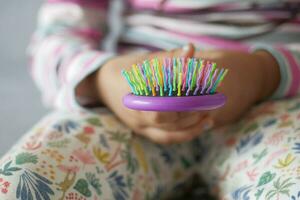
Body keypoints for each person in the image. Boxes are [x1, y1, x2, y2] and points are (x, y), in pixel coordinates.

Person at [0, 0, 299, 199]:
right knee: (22, 183)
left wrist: (265, 74)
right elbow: (54, 39)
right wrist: (100, 79)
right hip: (125, 110)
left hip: (274, 106)